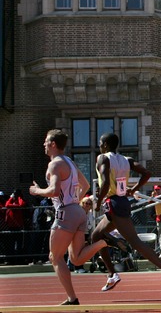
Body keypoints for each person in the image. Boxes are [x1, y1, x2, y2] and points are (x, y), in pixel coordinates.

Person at [91, 133, 161, 294]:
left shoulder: (103, 158)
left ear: (104, 144)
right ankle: (112, 274)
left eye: (100, 143)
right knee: (96, 236)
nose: (99, 146)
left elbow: (105, 184)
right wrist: (134, 189)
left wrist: (97, 202)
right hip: (121, 201)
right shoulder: (127, 160)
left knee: (135, 242)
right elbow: (146, 174)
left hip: (114, 203)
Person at [29, 129, 108, 305]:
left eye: (45, 142)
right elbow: (86, 184)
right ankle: (104, 242)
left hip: (66, 212)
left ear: (53, 144)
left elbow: (54, 190)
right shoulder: (69, 162)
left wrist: (36, 191)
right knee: (76, 258)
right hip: (78, 212)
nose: (43, 145)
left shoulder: (55, 164)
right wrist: (74, 203)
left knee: (55, 257)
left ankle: (72, 298)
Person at [5, 189, 27, 265]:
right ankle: (11, 260)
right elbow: (7, 205)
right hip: (11, 227)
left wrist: (19, 197)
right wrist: (11, 197)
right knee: (11, 244)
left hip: (19, 226)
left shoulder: (20, 201)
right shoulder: (12, 202)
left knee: (19, 244)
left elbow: (21, 204)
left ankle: (19, 260)